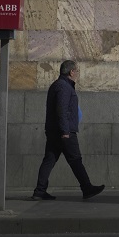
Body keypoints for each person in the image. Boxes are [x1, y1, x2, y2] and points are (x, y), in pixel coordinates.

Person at [32, 60, 104, 201]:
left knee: (49, 159)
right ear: (71, 72)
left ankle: (39, 191)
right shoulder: (64, 87)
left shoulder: (58, 85)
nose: (77, 74)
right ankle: (87, 188)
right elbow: (62, 109)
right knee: (75, 159)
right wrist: (65, 130)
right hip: (64, 132)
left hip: (55, 131)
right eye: (77, 71)